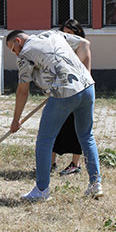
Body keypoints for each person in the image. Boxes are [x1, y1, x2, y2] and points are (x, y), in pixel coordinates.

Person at [6, 28, 103, 201]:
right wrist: (78, 74)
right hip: (87, 86)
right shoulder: (52, 34)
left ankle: (42, 190)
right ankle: (95, 184)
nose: (15, 54)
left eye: (12, 49)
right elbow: (84, 43)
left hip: (63, 93)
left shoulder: (24, 55)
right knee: (86, 136)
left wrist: (16, 120)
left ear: (18, 41)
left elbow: (23, 91)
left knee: (45, 140)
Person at [52, 19, 85, 176]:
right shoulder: (58, 50)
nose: (66, 37)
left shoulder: (82, 47)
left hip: (77, 93)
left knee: (75, 128)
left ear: (77, 34)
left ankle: (75, 164)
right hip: (60, 92)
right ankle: (51, 163)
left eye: (70, 33)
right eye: (64, 33)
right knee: (53, 126)